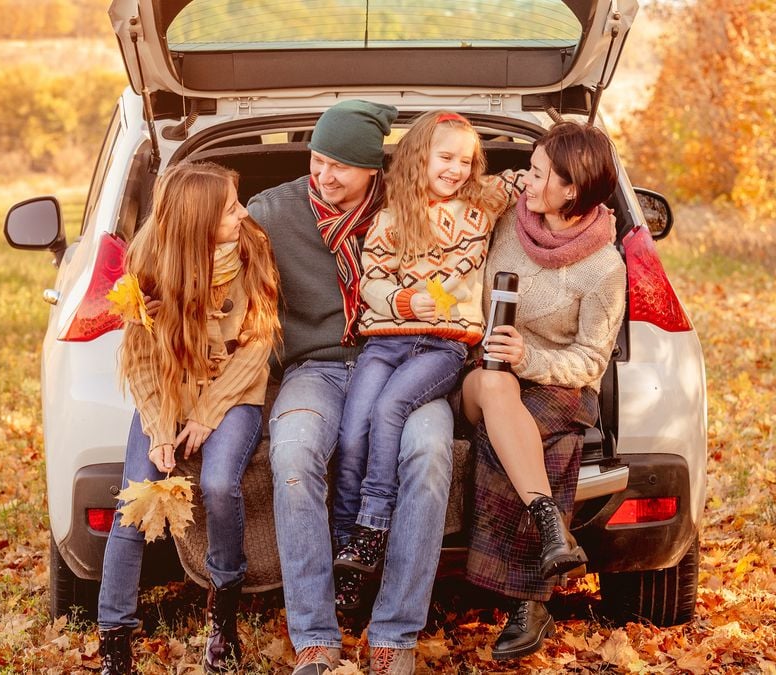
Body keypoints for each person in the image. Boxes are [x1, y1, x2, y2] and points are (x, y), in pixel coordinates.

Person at [247, 100, 455, 675]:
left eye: (340, 165)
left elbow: (485, 206)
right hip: (317, 369)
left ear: (374, 171)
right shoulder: (272, 212)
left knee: (432, 453)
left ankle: (394, 634)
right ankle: (315, 637)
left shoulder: (412, 206)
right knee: (292, 452)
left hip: (401, 363)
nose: (324, 175)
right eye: (317, 159)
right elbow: (200, 244)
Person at [96, 162, 281, 675]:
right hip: (169, 396)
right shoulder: (149, 260)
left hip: (233, 393)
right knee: (136, 501)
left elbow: (256, 346)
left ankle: (222, 618)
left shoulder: (251, 250)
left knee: (220, 485)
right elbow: (140, 359)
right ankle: (114, 641)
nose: (242, 213)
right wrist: (159, 428)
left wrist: (207, 413)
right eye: (229, 208)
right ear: (198, 222)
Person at [460, 121, 626, 661]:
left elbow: (591, 360)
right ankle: (549, 533)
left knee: (542, 436)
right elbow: (451, 200)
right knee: (496, 389)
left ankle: (527, 601)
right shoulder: (508, 218)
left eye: (537, 173)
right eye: (528, 169)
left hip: (555, 380)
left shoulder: (604, 267)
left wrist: (528, 356)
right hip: (479, 372)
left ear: (571, 189)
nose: (526, 181)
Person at [332, 111, 520, 579]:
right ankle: (345, 543)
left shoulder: (483, 202)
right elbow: (372, 282)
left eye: (466, 160)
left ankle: (373, 527)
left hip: (443, 347)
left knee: (389, 408)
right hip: (386, 342)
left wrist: (588, 206)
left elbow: (532, 177)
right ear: (419, 157)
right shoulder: (391, 218)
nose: (456, 169)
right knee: (352, 427)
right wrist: (405, 300)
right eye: (446, 157)